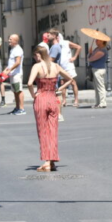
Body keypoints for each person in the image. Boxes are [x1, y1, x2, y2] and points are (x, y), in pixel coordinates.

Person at [28, 43, 72, 171]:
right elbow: (70, 79)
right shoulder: (56, 66)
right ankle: (52, 160)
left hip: (41, 98)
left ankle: (47, 161)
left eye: (35, 56)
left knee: (43, 130)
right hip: (53, 98)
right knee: (53, 130)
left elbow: (30, 83)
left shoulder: (37, 66)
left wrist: (33, 95)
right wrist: (59, 88)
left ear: (38, 55)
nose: (35, 58)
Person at [3, 34, 25, 115]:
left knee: (19, 90)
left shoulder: (18, 50)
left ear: (16, 41)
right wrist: (6, 70)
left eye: (11, 39)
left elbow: (18, 62)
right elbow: (11, 62)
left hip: (17, 74)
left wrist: (10, 70)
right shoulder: (13, 49)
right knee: (15, 91)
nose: (9, 41)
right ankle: (17, 107)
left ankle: (22, 108)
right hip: (13, 74)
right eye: (9, 39)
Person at [57, 34, 81, 108]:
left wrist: (74, 57)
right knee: (63, 83)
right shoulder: (56, 45)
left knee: (73, 82)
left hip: (69, 66)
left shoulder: (66, 42)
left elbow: (79, 47)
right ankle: (64, 100)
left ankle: (76, 100)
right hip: (61, 67)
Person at [88, 39, 109, 109]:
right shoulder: (97, 49)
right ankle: (98, 103)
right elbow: (89, 57)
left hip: (99, 70)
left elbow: (91, 59)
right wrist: (90, 52)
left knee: (100, 87)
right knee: (96, 88)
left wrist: (91, 55)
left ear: (102, 41)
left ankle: (103, 103)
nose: (96, 41)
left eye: (97, 40)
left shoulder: (102, 50)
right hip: (95, 69)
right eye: (96, 40)